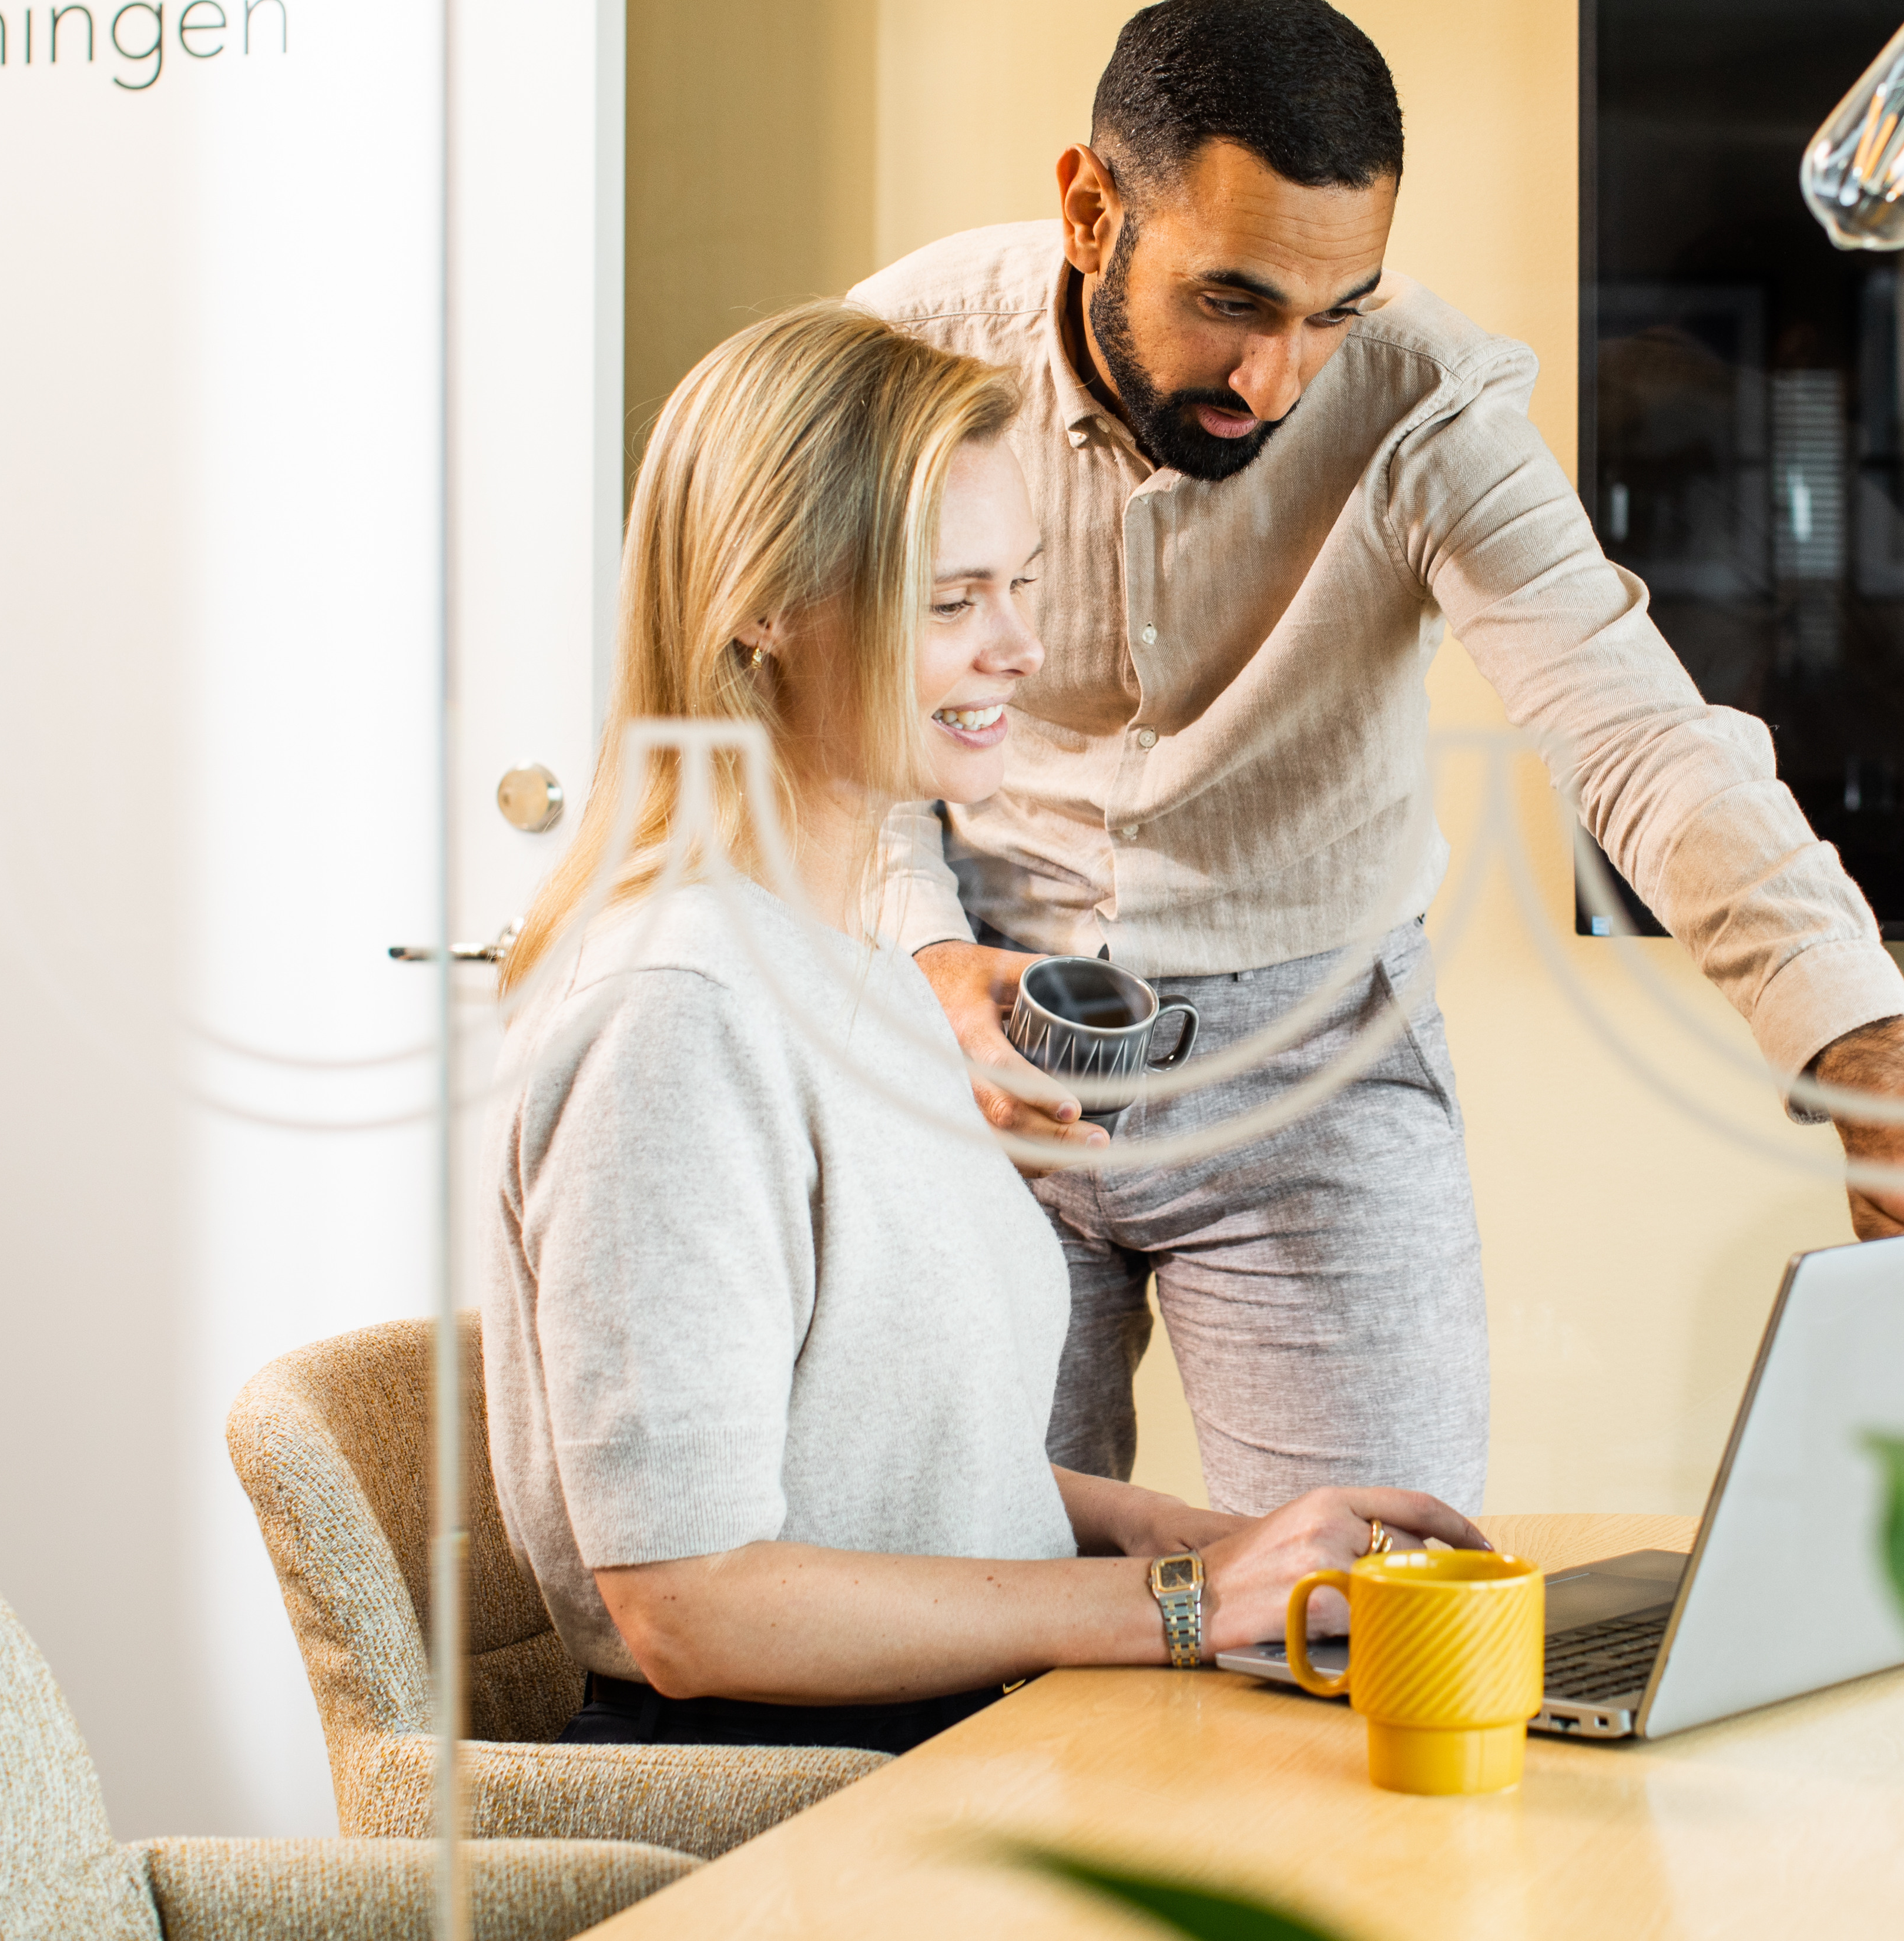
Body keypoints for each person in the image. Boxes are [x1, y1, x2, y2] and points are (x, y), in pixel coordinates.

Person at [849, 0, 1904, 1518]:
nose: (1273, 385)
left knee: (1380, 1627)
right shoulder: (895, 364)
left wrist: (1867, 1051)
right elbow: (809, 713)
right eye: (1230, 301)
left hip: (1315, 1061)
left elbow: (1634, 726)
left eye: (1331, 314)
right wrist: (920, 956)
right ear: (1091, 211)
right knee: (967, 1607)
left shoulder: (1428, 399)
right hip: (967, 1034)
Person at [484, 303, 1478, 1755]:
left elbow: (900, 1457)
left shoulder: (862, 968)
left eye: (1018, 585)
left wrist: (1210, 1538)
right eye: (952, 603)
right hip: (790, 1805)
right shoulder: (672, 1016)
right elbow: (687, 1607)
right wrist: (1184, 1601)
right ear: (763, 607)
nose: (1019, 647)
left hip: (962, 1735)